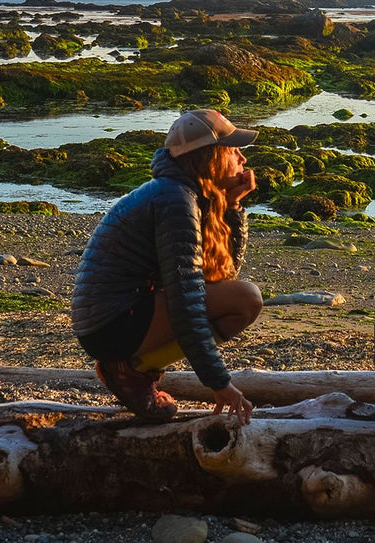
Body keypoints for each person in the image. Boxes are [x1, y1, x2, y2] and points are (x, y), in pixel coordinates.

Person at [72, 109, 263, 423]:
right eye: (233, 150)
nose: (242, 158)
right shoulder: (175, 200)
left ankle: (133, 368)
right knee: (246, 299)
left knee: (240, 298)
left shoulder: (185, 194)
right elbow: (187, 304)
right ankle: (130, 370)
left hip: (115, 318)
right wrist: (219, 383)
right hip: (110, 323)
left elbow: (223, 278)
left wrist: (234, 206)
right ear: (211, 157)